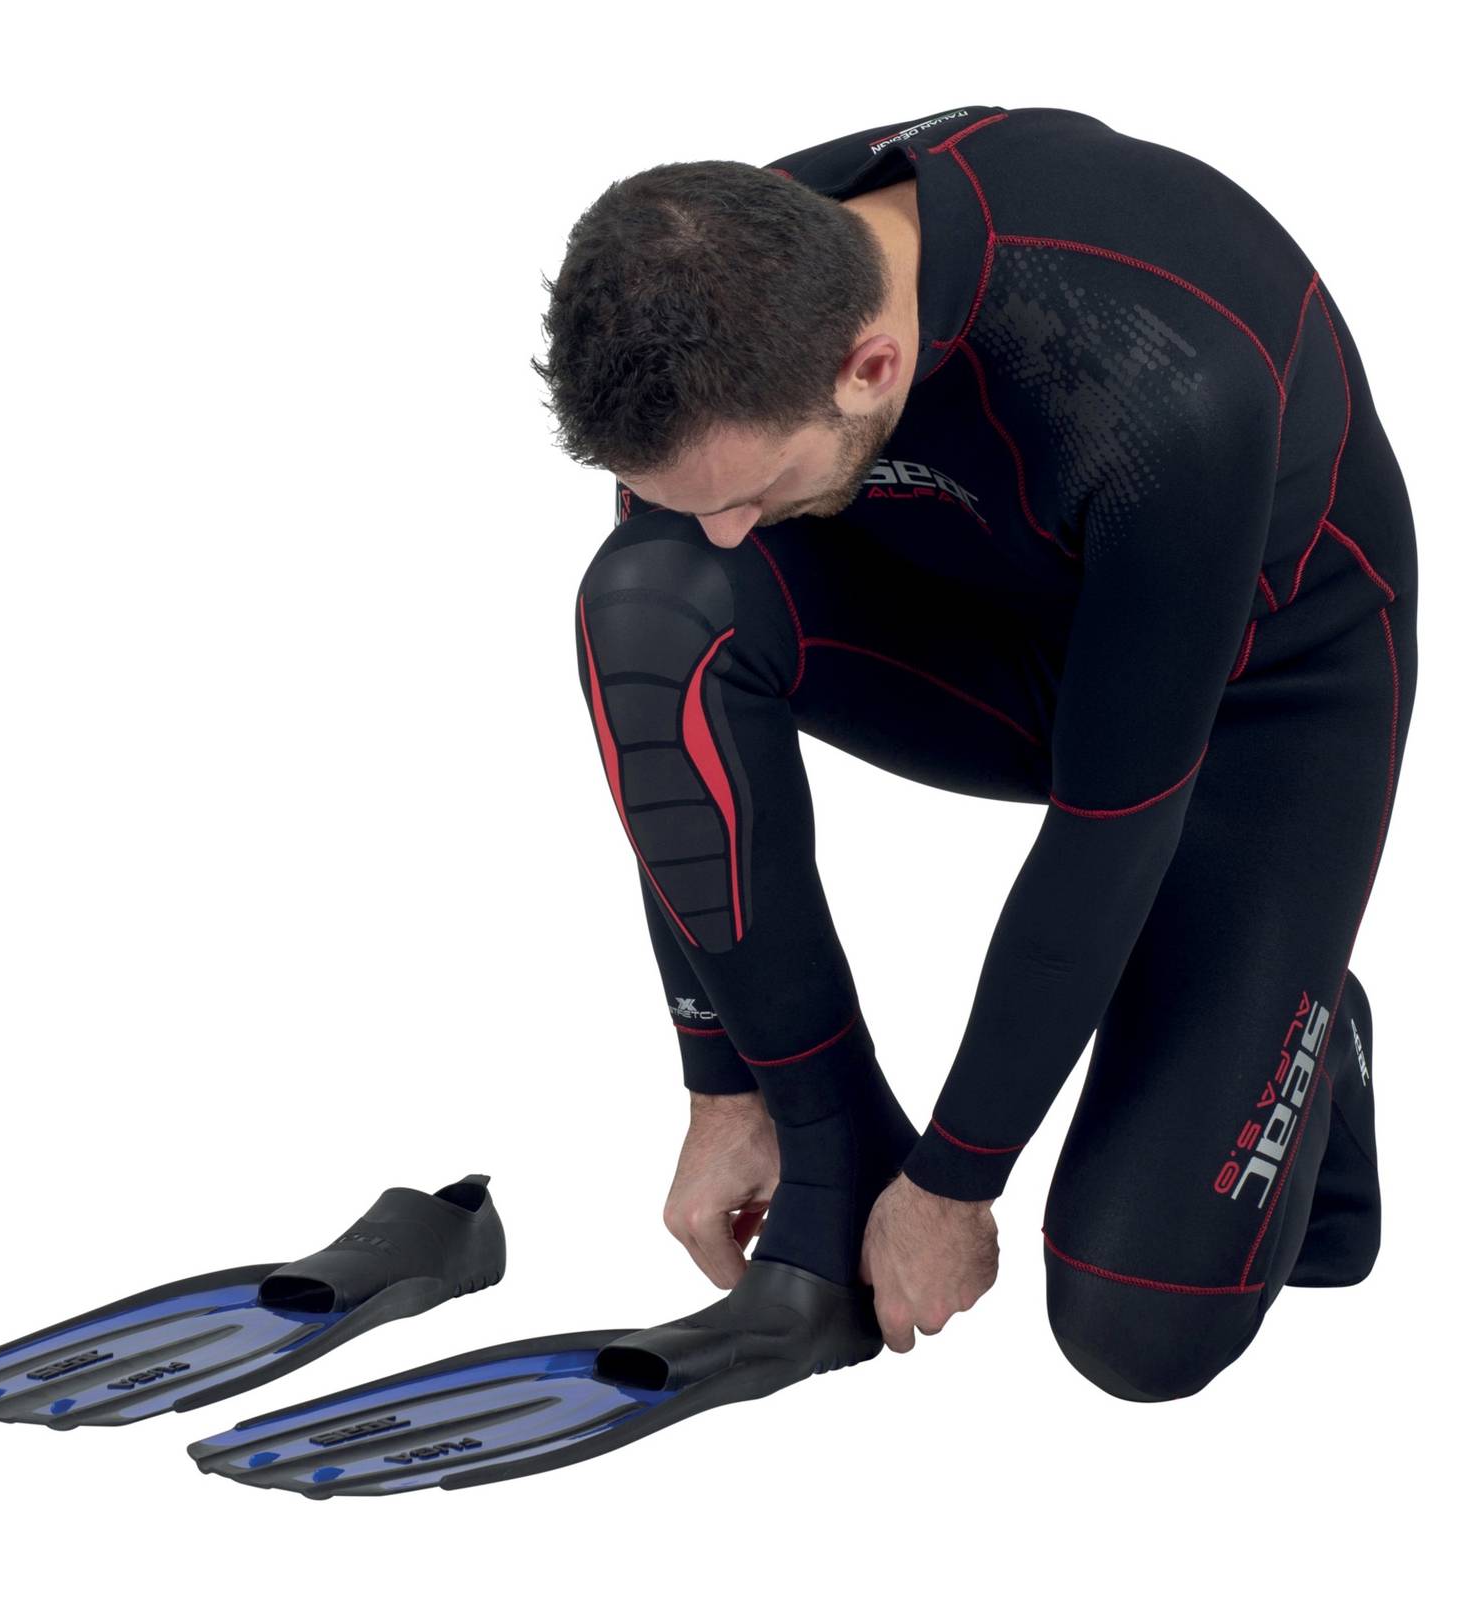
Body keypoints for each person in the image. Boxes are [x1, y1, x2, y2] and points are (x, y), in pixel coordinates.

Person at [535, 105, 1416, 1401]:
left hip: (1261, 689)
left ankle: (1307, 1033)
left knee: (1138, 1323)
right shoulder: (717, 292)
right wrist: (725, 1078)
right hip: (998, 623)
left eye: (750, 494)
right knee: (650, 599)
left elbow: (1112, 826)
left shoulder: (1164, 372)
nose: (726, 530)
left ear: (871, 366)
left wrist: (954, 1177)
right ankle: (833, 1142)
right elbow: (665, 725)